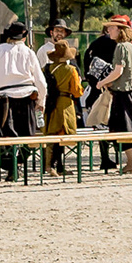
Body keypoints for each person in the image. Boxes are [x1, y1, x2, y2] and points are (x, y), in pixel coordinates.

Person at [0, 22, 43, 180]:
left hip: (3, 98)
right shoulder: (29, 52)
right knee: (27, 135)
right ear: (24, 36)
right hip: (26, 96)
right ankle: (17, 164)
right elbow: (41, 80)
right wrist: (42, 100)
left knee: (5, 136)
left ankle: (13, 166)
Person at [99, 14, 132, 174]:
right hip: (130, 91)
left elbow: (118, 70)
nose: (109, 30)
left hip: (125, 94)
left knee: (124, 128)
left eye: (112, 27)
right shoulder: (131, 47)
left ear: (120, 30)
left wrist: (103, 82)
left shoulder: (121, 47)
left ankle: (131, 161)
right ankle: (131, 161)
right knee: (127, 128)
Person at [41, 39, 83, 175]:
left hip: (49, 104)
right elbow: (77, 91)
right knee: (61, 136)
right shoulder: (71, 70)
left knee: (50, 135)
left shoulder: (46, 69)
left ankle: (51, 166)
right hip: (65, 104)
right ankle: (54, 166)